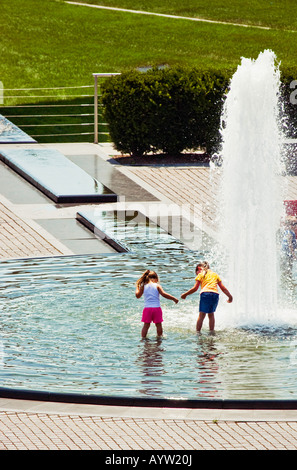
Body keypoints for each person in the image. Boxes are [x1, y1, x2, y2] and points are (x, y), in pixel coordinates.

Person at [181, 261, 232, 332]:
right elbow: (223, 288)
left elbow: (195, 288)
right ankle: (211, 332)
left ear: (199, 269)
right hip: (215, 294)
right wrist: (230, 296)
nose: (196, 273)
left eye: (196, 271)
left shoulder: (201, 274)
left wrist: (185, 294)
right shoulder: (215, 275)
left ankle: (198, 333)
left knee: (201, 315)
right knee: (211, 315)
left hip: (205, 294)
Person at [135, 269, 179, 338]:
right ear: (156, 278)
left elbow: (137, 296)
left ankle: (143, 339)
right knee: (158, 325)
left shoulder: (143, 286)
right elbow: (164, 294)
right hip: (156, 308)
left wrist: (137, 287)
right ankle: (159, 338)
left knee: (146, 325)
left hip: (147, 309)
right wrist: (173, 298)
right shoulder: (157, 285)